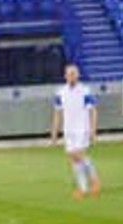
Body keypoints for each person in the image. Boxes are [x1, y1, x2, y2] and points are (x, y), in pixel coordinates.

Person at [50, 63, 101, 199]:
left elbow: (93, 111)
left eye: (74, 73)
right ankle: (83, 188)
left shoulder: (85, 90)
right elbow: (57, 113)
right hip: (68, 129)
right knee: (73, 159)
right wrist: (54, 133)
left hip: (82, 128)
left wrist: (93, 131)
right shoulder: (60, 92)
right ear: (65, 76)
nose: (71, 76)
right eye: (69, 74)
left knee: (79, 154)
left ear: (78, 75)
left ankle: (94, 180)